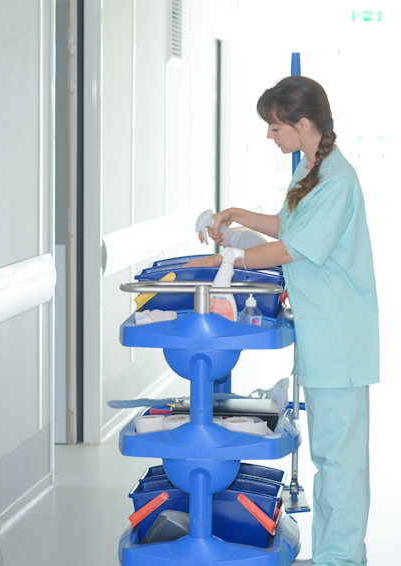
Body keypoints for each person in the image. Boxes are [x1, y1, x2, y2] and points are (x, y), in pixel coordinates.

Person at [185, 76, 378, 566]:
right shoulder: (311, 169)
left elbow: (293, 247)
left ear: (303, 124)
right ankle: (336, 555)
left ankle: (341, 559)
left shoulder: (336, 180)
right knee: (329, 459)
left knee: (341, 463)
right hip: (323, 332)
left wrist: (226, 261)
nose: (270, 136)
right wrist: (240, 217)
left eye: (275, 127)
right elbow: (289, 224)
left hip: (340, 338)